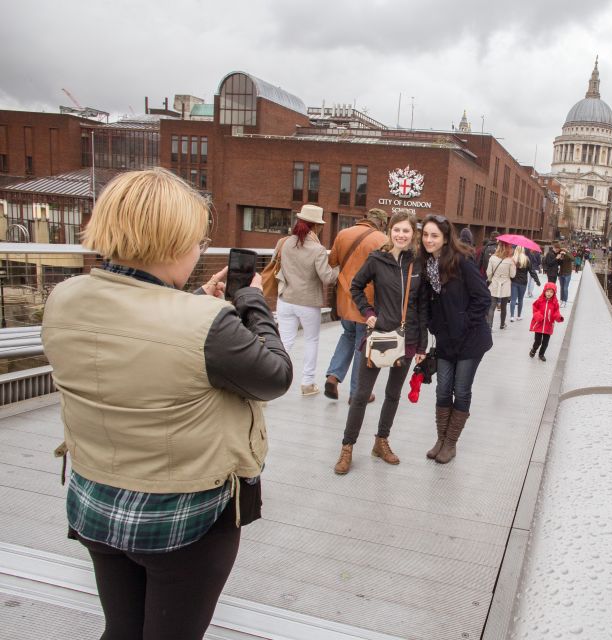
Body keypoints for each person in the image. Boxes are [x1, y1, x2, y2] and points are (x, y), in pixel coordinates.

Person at [41, 168, 292, 640]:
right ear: (174, 241)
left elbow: (132, 334)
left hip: (95, 502)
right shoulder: (209, 325)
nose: (200, 249)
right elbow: (274, 376)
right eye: (198, 239)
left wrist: (195, 299)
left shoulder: (63, 298)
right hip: (182, 519)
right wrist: (253, 301)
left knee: (121, 628)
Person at [334, 212, 428, 475]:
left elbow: (422, 307)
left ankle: (381, 441)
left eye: (406, 231)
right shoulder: (377, 259)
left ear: (413, 234)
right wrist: (369, 313)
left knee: (393, 395)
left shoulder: (417, 264)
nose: (401, 235)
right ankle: (347, 447)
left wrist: (422, 346)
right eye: (396, 230)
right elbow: (355, 287)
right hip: (378, 336)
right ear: (389, 232)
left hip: (408, 339)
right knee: (361, 396)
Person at [420, 214, 492, 463]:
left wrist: (463, 323)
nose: (429, 239)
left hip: (470, 340)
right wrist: (432, 324)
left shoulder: (461, 262)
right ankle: (440, 439)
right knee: (442, 389)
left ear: (445, 238)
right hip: (445, 339)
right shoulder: (428, 265)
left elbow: (483, 297)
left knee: (460, 390)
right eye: (426, 234)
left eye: (434, 235)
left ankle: (450, 443)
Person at [324, 208, 388, 403]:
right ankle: (357, 393)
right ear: (382, 223)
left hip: (344, 297)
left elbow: (332, 262)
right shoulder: (382, 240)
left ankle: (333, 376)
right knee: (362, 341)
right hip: (366, 302)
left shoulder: (343, 233)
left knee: (347, 335)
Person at [273, 204, 339, 395]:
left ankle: (269, 378)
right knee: (311, 341)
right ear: (316, 226)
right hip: (308, 303)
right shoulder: (317, 249)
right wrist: (339, 268)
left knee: (284, 342)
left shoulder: (285, 242)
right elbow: (327, 277)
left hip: (285, 299)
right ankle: (307, 384)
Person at [529, 282, 564, 361]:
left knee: (545, 343)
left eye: (551, 292)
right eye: (547, 291)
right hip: (539, 324)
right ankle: (533, 350)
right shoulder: (539, 301)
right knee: (537, 341)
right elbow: (535, 309)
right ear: (544, 291)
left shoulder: (555, 304)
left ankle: (541, 354)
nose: (549, 293)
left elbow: (556, 312)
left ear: (554, 293)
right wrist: (537, 315)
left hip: (548, 325)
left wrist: (558, 317)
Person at [486, 241, 516, 330]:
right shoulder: (510, 260)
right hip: (505, 285)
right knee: (503, 306)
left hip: (494, 283)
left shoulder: (492, 258)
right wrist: (513, 265)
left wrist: (491, 279)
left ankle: (489, 326)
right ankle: (502, 324)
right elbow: (512, 275)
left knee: (492, 306)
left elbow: (489, 273)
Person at [509, 244, 539, 322]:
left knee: (513, 299)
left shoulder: (512, 259)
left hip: (514, 281)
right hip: (523, 282)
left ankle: (512, 316)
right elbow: (532, 271)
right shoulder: (526, 259)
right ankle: (518, 316)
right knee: (520, 299)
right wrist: (537, 280)